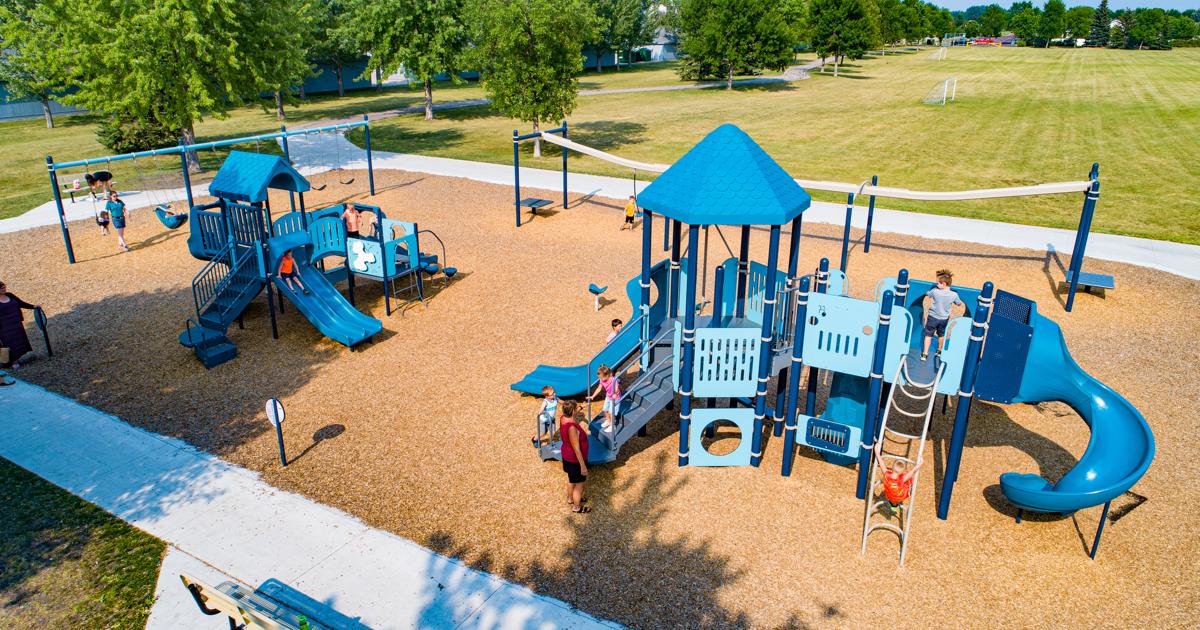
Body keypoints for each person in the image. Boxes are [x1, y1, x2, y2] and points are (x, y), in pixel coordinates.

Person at [921, 268, 963, 361]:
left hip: (932, 317)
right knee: (941, 334)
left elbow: (927, 294)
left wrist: (927, 292)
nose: (937, 284)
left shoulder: (935, 291)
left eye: (938, 283)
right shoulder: (954, 295)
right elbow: (959, 303)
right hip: (944, 319)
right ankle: (939, 350)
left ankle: (925, 353)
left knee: (928, 335)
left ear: (944, 284)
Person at [559, 400, 590, 514]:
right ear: (573, 411)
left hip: (566, 456)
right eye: (576, 409)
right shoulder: (572, 428)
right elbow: (576, 449)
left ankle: (570, 498)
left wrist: (582, 406)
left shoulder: (563, 418)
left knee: (571, 479)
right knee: (579, 485)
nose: (577, 410)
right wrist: (583, 466)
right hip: (575, 460)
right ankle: (577, 507)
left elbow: (572, 412)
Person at [0, 280, 39, 371]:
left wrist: (33, 306)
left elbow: (21, 303)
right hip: (4, 327)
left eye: (4, 286)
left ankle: (13, 360)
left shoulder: (10, 295)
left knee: (19, 341)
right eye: (1, 288)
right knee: (9, 344)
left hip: (16, 323)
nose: (3, 288)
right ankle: (13, 362)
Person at [875, 443, 921, 515]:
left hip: (889, 495)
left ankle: (893, 504)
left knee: (891, 487)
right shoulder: (902, 478)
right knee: (908, 476)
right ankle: (909, 489)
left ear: (892, 468)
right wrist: (920, 464)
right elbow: (913, 471)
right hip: (901, 497)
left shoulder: (886, 474)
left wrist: (877, 452)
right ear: (901, 473)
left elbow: (882, 464)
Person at [587, 364, 620, 432]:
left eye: (601, 378)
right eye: (599, 378)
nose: (600, 379)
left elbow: (617, 389)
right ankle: (608, 420)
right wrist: (593, 396)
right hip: (608, 397)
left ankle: (612, 425)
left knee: (611, 412)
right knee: (605, 410)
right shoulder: (602, 380)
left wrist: (615, 393)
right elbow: (599, 388)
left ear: (607, 375)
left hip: (615, 398)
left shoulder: (613, 380)